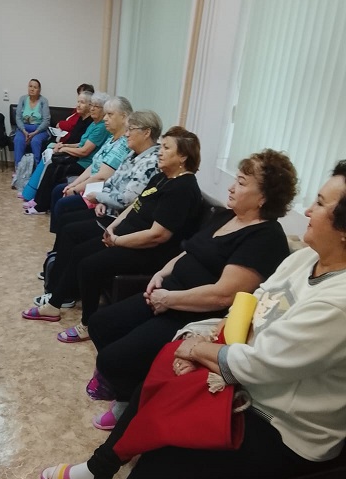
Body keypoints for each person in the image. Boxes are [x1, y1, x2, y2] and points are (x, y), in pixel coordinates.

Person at [19, 160, 346, 479]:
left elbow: (259, 365)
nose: (309, 211)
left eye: (319, 203)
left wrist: (197, 349)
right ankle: (98, 470)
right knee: (158, 381)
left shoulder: (338, 303)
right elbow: (246, 310)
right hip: (246, 384)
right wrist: (200, 338)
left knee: (168, 454)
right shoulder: (303, 261)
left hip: (283, 427)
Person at [84, 149, 298, 426]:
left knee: (113, 359)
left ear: (264, 197)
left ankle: (132, 399)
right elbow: (190, 250)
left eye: (242, 182)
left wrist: (169, 299)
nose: (231, 187)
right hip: (167, 294)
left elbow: (223, 295)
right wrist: (161, 273)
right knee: (101, 324)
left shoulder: (265, 238)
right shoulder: (226, 216)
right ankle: (131, 388)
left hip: (192, 315)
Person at [21, 127, 205, 344]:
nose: (160, 152)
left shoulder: (183, 189)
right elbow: (135, 205)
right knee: (79, 251)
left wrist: (117, 240)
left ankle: (88, 325)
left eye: (166, 148)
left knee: (89, 265)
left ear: (183, 156)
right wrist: (114, 227)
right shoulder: (162, 177)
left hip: (150, 251)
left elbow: (158, 236)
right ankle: (54, 305)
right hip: (127, 236)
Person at [48, 109, 162, 235]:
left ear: (146, 133)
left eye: (130, 129)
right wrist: (101, 201)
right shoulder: (129, 151)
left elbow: (124, 197)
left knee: (67, 220)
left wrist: (95, 196)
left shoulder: (150, 161)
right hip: (105, 206)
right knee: (65, 215)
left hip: (118, 218)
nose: (126, 134)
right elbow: (111, 180)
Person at [25, 92, 111, 214]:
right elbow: (81, 144)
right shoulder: (94, 123)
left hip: (86, 163)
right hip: (80, 160)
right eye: (91, 105)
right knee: (52, 165)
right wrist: (64, 145)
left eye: (96, 106)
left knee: (55, 168)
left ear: (104, 110)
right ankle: (40, 201)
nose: (92, 108)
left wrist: (64, 149)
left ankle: (41, 206)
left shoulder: (101, 127)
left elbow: (84, 151)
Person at [14, 79, 50, 166]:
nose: (32, 89)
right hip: (23, 129)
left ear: (39, 90)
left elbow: (46, 121)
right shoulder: (22, 99)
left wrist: (34, 133)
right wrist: (24, 131)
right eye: (30, 86)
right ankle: (18, 168)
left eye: (35, 87)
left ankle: (36, 167)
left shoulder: (43, 101)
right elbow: (18, 118)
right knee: (18, 140)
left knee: (35, 141)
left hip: (39, 130)